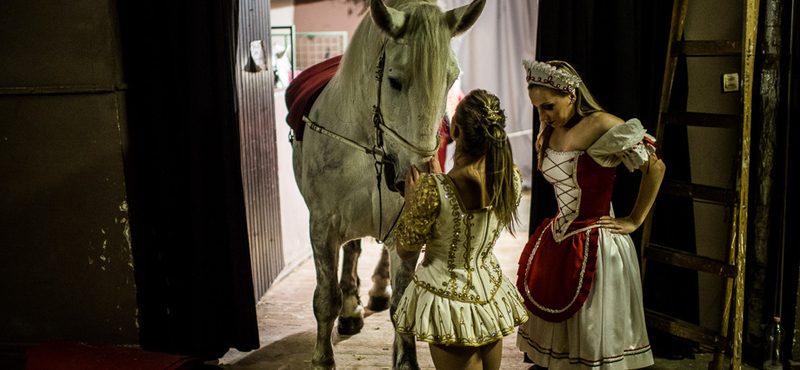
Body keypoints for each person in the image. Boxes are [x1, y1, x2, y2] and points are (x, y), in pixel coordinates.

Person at [515, 60, 665, 369]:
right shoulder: (551, 127)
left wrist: (635, 219)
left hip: (598, 245)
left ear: (571, 95)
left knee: (593, 341)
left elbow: (655, 167)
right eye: (538, 109)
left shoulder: (602, 124)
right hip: (560, 238)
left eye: (549, 107)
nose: (543, 115)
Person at [392, 89, 529, 370]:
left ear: (454, 130)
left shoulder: (433, 190)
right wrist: (438, 183)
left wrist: (412, 203)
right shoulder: (511, 178)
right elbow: (462, 205)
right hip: (489, 294)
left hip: (447, 303)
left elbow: (405, 251)